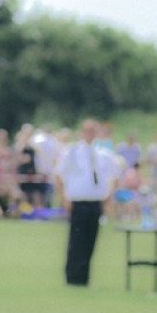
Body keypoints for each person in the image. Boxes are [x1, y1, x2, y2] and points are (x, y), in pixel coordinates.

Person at [54, 118, 122, 286]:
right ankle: (72, 276)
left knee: (90, 240)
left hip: (95, 202)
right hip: (78, 201)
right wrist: (64, 197)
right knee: (76, 240)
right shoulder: (72, 152)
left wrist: (108, 196)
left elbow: (115, 175)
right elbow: (59, 175)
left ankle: (84, 276)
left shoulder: (103, 154)